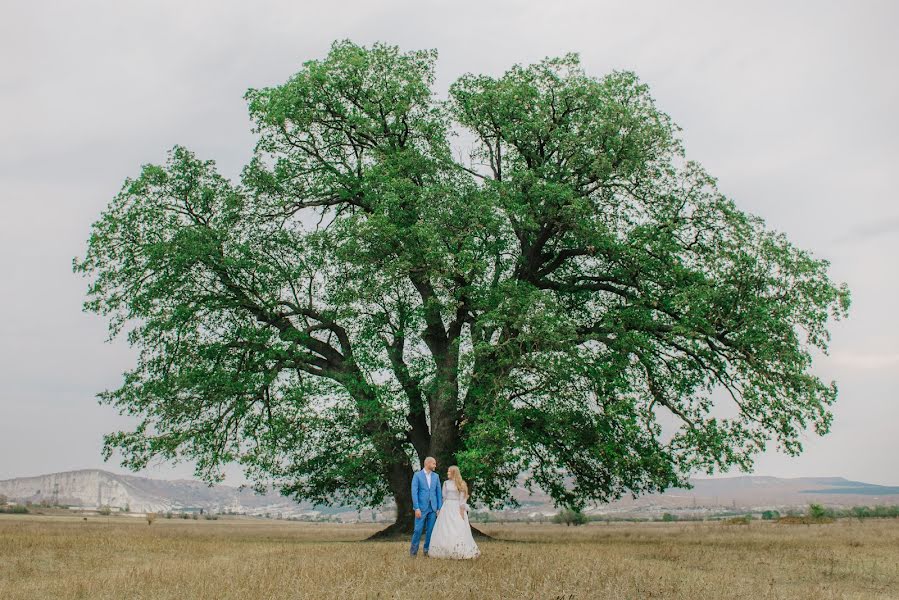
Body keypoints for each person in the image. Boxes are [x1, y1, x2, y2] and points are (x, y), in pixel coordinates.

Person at [426, 465, 480, 559]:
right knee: (444, 528)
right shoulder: (446, 483)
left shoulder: (461, 484)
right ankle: (444, 550)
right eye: (448, 471)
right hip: (447, 507)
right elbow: (444, 497)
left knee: (457, 527)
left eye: (449, 472)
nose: (447, 473)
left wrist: (462, 511)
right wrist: (440, 509)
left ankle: (459, 550)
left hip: (456, 507)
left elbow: (462, 499)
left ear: (454, 473)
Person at [409, 456, 442, 557]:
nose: (435, 465)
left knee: (430, 530)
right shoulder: (417, 475)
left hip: (433, 508)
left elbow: (438, 493)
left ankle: (427, 551)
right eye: (434, 464)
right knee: (417, 530)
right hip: (421, 508)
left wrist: (439, 508)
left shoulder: (436, 476)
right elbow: (414, 492)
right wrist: (416, 508)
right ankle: (413, 552)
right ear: (427, 463)